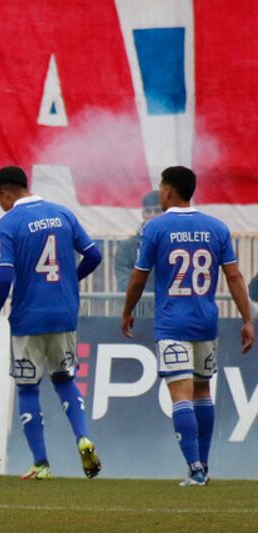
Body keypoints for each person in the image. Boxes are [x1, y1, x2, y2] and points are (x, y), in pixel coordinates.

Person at [121, 166, 254, 486]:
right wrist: (247, 319)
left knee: (180, 395)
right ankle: (204, 467)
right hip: (205, 324)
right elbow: (234, 276)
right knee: (203, 392)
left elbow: (139, 275)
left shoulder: (156, 229)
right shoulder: (216, 228)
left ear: (168, 191)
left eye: (161, 189)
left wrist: (127, 310)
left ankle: (195, 469)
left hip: (172, 325)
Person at [0, 166, 102, 481]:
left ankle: (41, 463)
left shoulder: (8, 222)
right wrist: (69, 281)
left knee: (27, 388)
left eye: (0, 200)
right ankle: (83, 438)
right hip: (64, 313)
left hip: (28, 316)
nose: (2, 206)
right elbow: (94, 255)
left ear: (5, 194)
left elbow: (5, 274)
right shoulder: (62, 213)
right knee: (64, 380)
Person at [114, 190, 161, 292]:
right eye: (148, 211)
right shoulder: (126, 247)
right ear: (143, 214)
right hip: (139, 306)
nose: (152, 215)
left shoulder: (175, 244)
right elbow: (124, 284)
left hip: (169, 307)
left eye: (157, 211)